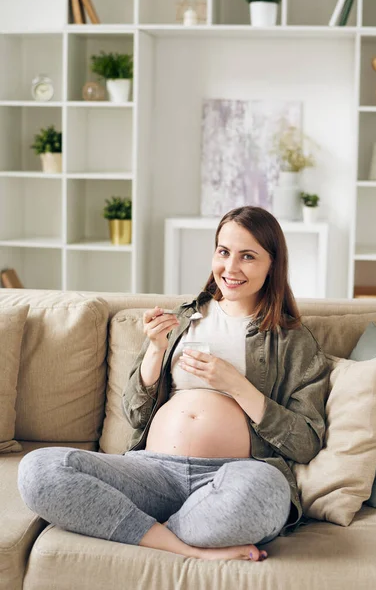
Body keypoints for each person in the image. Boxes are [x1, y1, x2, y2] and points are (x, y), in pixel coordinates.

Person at [18, 205, 329, 563]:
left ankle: (142, 529)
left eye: (248, 257)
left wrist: (236, 385)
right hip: (151, 472)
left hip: (235, 474)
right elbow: (136, 414)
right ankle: (185, 546)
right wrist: (155, 349)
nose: (231, 268)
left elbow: (305, 442)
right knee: (38, 470)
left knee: (265, 493)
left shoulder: (292, 340)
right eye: (223, 252)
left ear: (273, 264)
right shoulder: (183, 319)